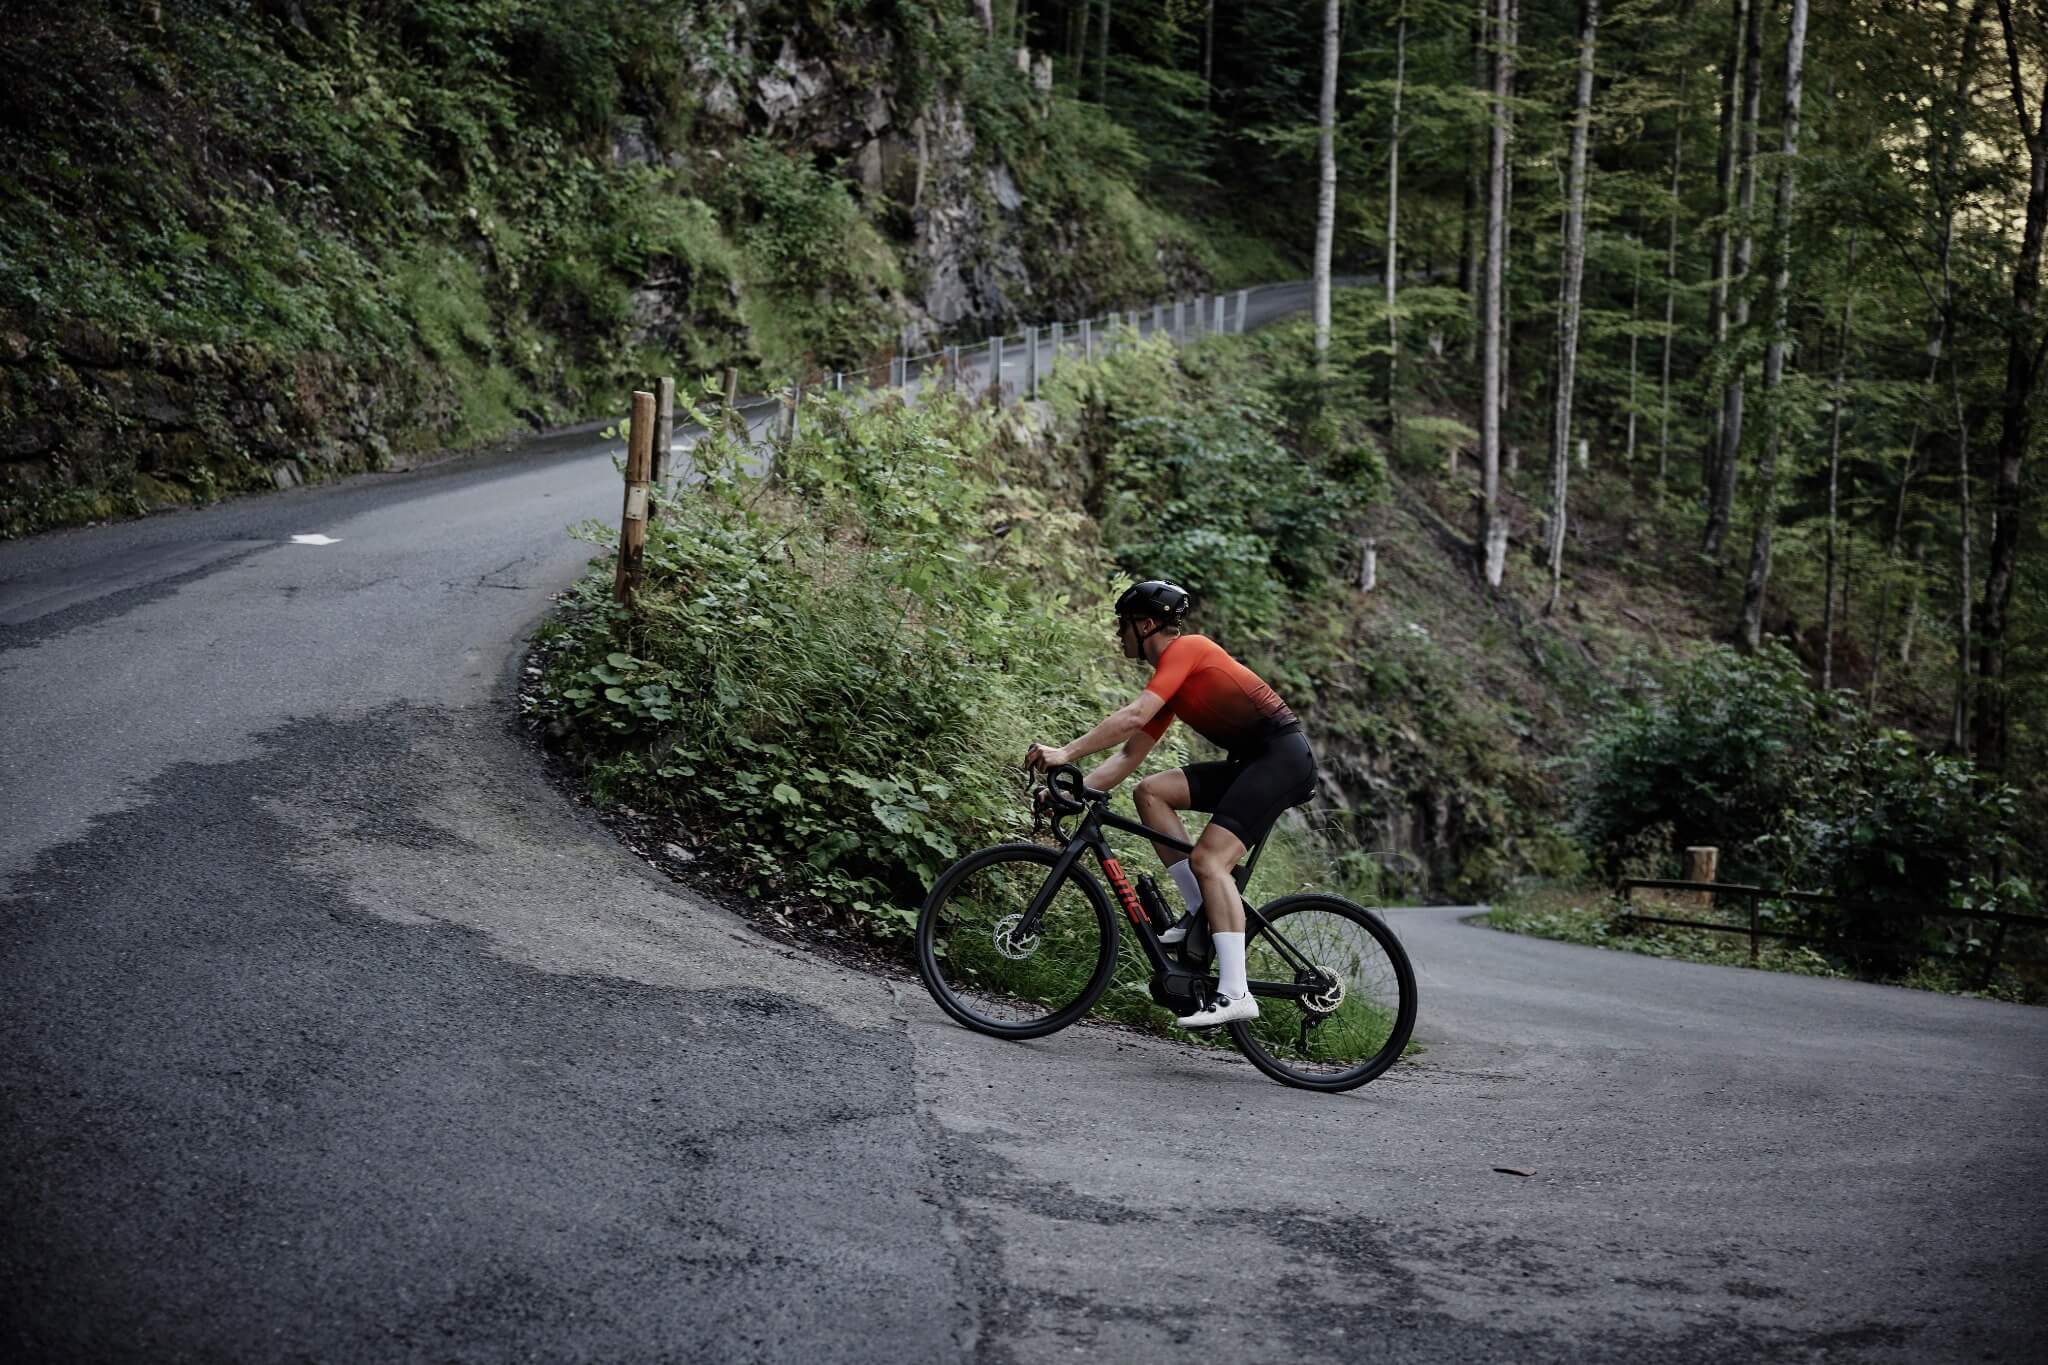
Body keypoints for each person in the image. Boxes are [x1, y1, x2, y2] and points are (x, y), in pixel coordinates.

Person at [1025, 580, 1318, 1028]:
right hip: (1254, 764)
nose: (1118, 634)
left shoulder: (1188, 650)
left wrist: (1065, 753)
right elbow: (1128, 755)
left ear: (1145, 624)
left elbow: (1133, 716)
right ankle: (1202, 907)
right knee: (1151, 792)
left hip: (1282, 761)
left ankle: (1236, 992)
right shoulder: (1174, 683)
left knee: (1209, 860)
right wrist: (1072, 789)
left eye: (1122, 625)